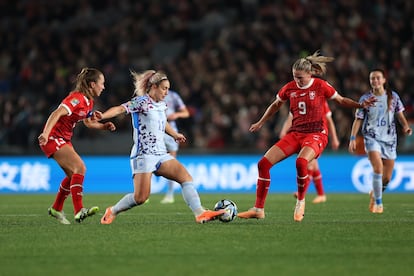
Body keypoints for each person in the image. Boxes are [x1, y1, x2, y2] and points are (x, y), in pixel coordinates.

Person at [237, 50, 376, 222]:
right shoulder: (289, 88)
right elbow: (275, 105)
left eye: (300, 77)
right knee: (263, 164)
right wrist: (260, 122)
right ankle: (258, 209)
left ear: (310, 74)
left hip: (316, 133)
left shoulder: (320, 86)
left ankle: (301, 201)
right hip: (296, 133)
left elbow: (340, 100)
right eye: (295, 76)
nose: (297, 80)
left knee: (301, 162)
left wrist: (360, 105)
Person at [99, 70, 225, 224]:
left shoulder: (161, 105)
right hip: (144, 155)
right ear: (154, 87)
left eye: (168, 88)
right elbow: (120, 109)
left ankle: (200, 213)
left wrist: (174, 134)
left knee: (186, 178)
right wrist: (103, 116)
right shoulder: (141, 102)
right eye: (164, 88)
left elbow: (163, 122)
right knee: (141, 197)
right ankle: (112, 211)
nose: (167, 92)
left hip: (160, 153)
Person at [38, 67, 116, 224]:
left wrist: (102, 126)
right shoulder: (77, 98)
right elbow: (57, 113)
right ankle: (79, 210)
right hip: (53, 137)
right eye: (102, 83)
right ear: (92, 84)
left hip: (63, 139)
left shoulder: (88, 101)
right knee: (80, 168)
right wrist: (46, 134)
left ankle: (56, 208)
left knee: (73, 175)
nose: (104, 87)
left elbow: (87, 122)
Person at [348, 69, 412, 214]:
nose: (375, 81)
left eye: (378, 78)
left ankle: (375, 193)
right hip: (371, 137)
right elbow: (358, 119)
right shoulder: (366, 99)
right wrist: (352, 138)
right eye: (372, 79)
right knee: (378, 168)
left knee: (387, 178)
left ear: (384, 80)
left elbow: (400, 115)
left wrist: (406, 126)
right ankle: (379, 203)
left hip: (390, 140)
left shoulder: (393, 97)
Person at [280, 101, 340, 204]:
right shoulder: (298, 100)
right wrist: (284, 131)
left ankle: (302, 192)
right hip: (303, 135)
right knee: (314, 165)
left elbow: (329, 120)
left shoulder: (321, 102)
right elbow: (290, 118)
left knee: (310, 164)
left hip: (318, 136)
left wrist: (334, 138)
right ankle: (321, 195)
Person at [160, 90, 190, 204]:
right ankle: (145, 192)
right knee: (150, 159)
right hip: (158, 131)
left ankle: (170, 194)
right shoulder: (151, 96)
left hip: (171, 132)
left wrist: (176, 115)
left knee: (172, 163)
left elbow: (186, 113)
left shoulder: (173, 95)